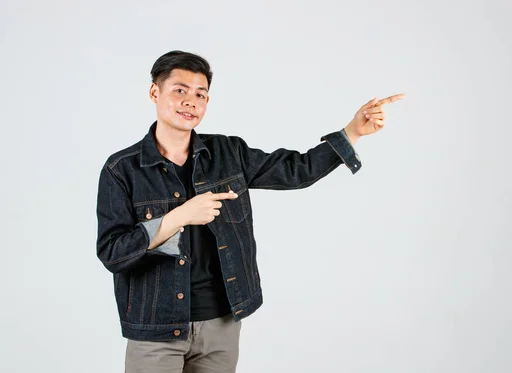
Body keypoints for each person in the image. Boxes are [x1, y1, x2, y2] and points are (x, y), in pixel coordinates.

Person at [96, 50, 404, 373]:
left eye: (200, 94)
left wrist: (352, 131)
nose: (191, 101)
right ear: (154, 92)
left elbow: (295, 170)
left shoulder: (228, 154)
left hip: (221, 326)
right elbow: (112, 253)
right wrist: (181, 215)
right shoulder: (122, 170)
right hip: (154, 330)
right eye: (180, 91)